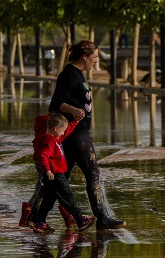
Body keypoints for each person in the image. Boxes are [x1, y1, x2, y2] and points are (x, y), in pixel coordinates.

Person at [50, 40, 125, 229]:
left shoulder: (77, 74)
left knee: (59, 179)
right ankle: (102, 218)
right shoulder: (68, 75)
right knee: (92, 173)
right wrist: (74, 110)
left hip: (77, 132)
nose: (96, 61)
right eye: (94, 57)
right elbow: (57, 102)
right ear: (84, 56)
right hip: (75, 132)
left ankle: (35, 214)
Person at [28, 113, 95, 233]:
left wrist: (76, 121)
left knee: (48, 200)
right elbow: (43, 156)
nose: (64, 133)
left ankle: (40, 222)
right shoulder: (50, 141)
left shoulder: (54, 138)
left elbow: (68, 129)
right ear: (56, 128)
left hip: (52, 175)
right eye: (62, 131)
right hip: (56, 175)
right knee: (68, 196)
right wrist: (48, 170)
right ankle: (80, 220)